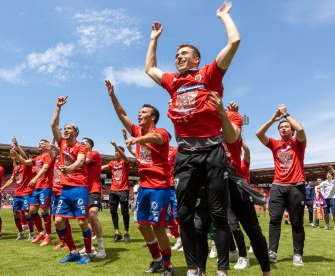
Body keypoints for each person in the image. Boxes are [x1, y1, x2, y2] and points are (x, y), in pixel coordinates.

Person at [144, 2, 240, 275]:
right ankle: (193, 268)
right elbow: (150, 68)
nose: (178, 57)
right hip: (186, 154)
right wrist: (153, 40)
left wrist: (224, 16)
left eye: (184, 54)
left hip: (212, 150)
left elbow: (234, 41)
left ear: (196, 59)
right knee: (185, 216)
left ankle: (222, 269)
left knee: (219, 215)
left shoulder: (208, 74)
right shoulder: (173, 81)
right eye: (176, 54)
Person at [105, 80, 173, 275]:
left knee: (158, 227)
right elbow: (122, 115)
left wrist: (138, 139)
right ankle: (157, 260)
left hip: (160, 186)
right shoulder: (137, 130)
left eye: (143, 112)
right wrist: (112, 96)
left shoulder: (160, 132)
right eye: (139, 112)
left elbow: (156, 139)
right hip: (144, 186)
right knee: (142, 225)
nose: (139, 114)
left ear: (153, 116)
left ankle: (168, 266)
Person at [209, 97, 270, 275]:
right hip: (214, 179)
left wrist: (232, 115)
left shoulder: (231, 118)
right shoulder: (203, 119)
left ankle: (262, 268)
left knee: (250, 228)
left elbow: (237, 138)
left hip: (235, 180)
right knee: (221, 225)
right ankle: (229, 259)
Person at [256, 104, 307, 266]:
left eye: (286, 127)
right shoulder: (274, 144)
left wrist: (286, 114)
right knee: (274, 220)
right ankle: (272, 252)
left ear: (290, 130)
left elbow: (300, 130)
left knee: (297, 221)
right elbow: (259, 133)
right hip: (277, 186)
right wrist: (273, 119)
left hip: (296, 186)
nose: (284, 129)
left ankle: (297, 254)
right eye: (281, 127)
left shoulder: (298, 143)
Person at [51, 96, 93, 265]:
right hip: (65, 188)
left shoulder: (80, 146)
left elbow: (81, 161)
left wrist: (69, 169)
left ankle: (88, 253)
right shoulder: (62, 143)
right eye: (65, 128)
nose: (65, 130)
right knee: (59, 220)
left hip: (79, 187)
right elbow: (53, 125)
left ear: (76, 132)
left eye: (69, 129)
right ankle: (73, 251)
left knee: (82, 221)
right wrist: (58, 107)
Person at [11, 139, 54, 246]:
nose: (40, 145)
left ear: (47, 146)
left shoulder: (47, 156)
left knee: (44, 211)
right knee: (32, 211)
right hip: (38, 188)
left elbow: (45, 168)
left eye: (43, 143)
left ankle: (48, 235)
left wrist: (35, 179)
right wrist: (16, 154)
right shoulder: (37, 158)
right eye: (39, 143)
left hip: (46, 186)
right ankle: (41, 232)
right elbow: (25, 162)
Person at [0, 146, 35, 240]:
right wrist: (3, 187)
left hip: (27, 193)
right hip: (17, 194)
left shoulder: (27, 165)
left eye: (20, 156)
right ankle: (21, 232)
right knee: (16, 214)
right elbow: (12, 180)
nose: (19, 157)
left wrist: (18, 147)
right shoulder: (16, 168)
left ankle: (32, 232)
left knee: (27, 214)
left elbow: (26, 158)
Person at [80, 137, 106, 258]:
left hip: (93, 188)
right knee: (85, 219)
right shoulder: (81, 155)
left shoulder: (94, 154)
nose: (81, 143)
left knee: (93, 214)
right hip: (83, 189)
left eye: (83, 142)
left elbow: (82, 162)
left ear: (89, 145)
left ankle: (101, 248)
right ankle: (89, 246)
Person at [101, 140, 131, 243]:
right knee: (112, 211)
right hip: (113, 190)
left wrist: (116, 146)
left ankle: (126, 232)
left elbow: (125, 158)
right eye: (115, 151)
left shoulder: (125, 162)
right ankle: (117, 233)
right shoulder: (112, 163)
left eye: (117, 151)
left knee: (124, 211)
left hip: (123, 190)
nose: (116, 152)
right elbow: (102, 168)